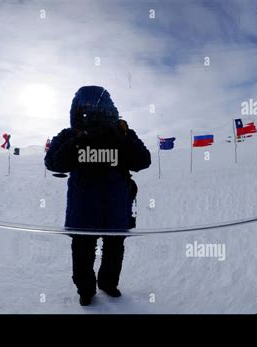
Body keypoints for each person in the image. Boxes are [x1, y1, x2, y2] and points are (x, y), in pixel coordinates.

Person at [45, 86, 151, 306]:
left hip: (115, 209)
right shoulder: (70, 135)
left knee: (114, 250)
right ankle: (86, 290)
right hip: (84, 211)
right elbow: (53, 163)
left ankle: (108, 284)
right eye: (87, 111)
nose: (93, 115)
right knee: (82, 252)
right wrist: (79, 140)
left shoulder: (121, 133)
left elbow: (143, 161)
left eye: (99, 110)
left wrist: (123, 136)